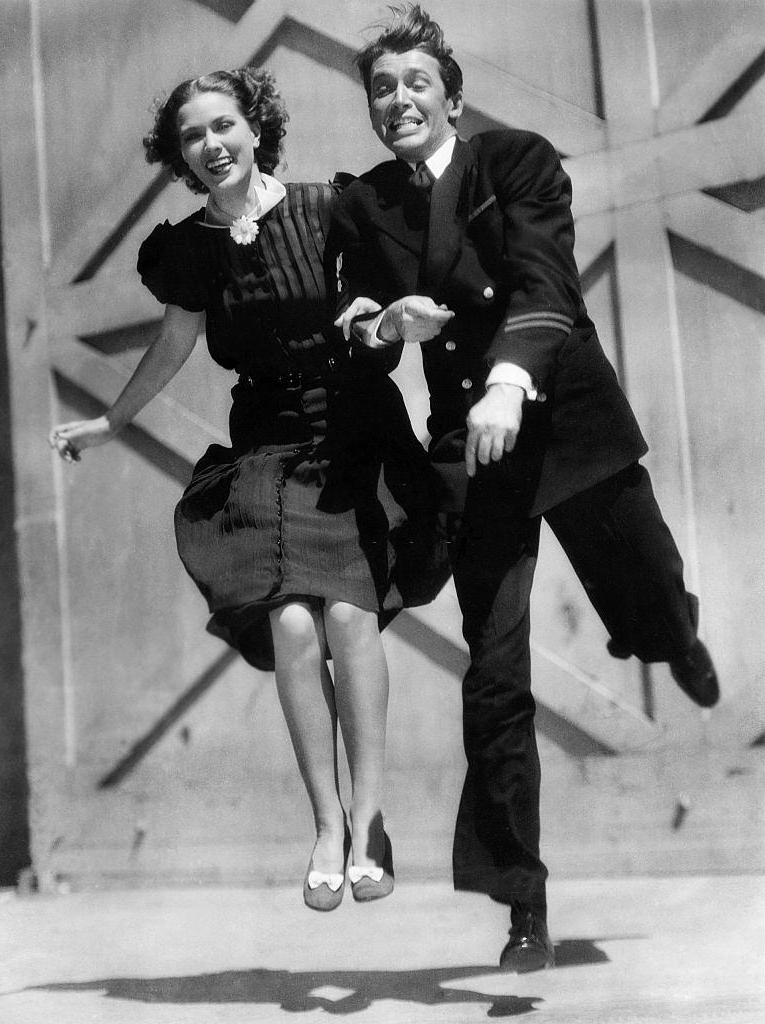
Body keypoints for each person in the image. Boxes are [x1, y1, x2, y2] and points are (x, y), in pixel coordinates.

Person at [328, 4, 720, 970]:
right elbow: (345, 314)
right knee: (495, 675)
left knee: (649, 584)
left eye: (416, 82)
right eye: (382, 88)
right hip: (474, 453)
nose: (398, 99)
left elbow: (547, 280)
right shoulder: (367, 202)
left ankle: (669, 635)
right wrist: (385, 329)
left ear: (450, 96)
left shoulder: (518, 162)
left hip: (567, 422)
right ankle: (522, 907)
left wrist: (509, 377)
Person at [49, 67, 448, 912]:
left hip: (353, 433)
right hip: (267, 441)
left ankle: (371, 817)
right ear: (181, 155)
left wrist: (391, 325)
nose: (212, 145)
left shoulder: (327, 208)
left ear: (255, 127)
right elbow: (173, 344)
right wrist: (111, 422)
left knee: (349, 615)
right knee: (291, 623)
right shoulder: (187, 250)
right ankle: (327, 825)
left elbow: (379, 310)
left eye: (224, 125)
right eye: (193, 136)